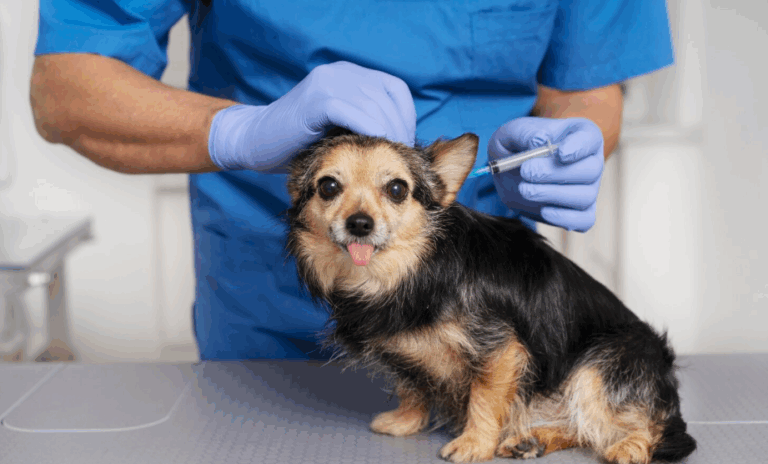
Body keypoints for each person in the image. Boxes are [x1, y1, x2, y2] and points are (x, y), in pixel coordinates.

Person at [30, 0, 674, 361]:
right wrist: (246, 133)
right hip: (270, 319)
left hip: (479, 315)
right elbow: (65, 91)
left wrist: (562, 148)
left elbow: (588, 85)